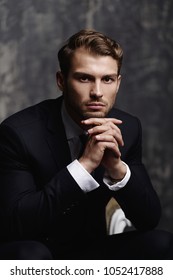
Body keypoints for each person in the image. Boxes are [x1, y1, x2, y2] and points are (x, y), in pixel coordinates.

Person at [0, 29, 172, 260]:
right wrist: (85, 165)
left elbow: (148, 219)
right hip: (35, 252)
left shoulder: (127, 128)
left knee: (161, 244)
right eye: (84, 78)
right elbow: (16, 224)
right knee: (29, 254)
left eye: (107, 79)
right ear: (61, 81)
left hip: (91, 252)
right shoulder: (19, 133)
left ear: (118, 83)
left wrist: (117, 169)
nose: (97, 92)